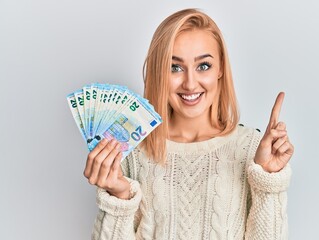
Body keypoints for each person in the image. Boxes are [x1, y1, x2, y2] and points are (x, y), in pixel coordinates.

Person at [84, 8, 294, 240]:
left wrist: (268, 179)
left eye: (203, 66)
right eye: (175, 67)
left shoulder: (252, 149)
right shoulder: (130, 152)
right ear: (159, 72)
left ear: (221, 69)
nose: (190, 83)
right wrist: (119, 198)